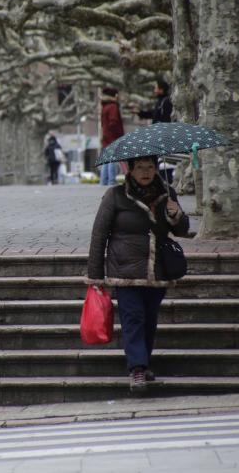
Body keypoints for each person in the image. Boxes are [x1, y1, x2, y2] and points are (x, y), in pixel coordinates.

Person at [86, 155, 189, 392]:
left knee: (150, 319)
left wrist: (176, 215)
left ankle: (144, 361)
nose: (146, 172)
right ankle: (137, 369)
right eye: (140, 167)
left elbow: (182, 230)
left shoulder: (168, 193)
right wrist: (95, 275)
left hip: (157, 269)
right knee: (133, 318)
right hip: (125, 269)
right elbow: (99, 234)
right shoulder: (115, 195)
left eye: (150, 167)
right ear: (130, 170)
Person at [99, 87, 125, 186]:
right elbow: (113, 122)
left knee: (107, 160)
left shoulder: (105, 107)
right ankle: (111, 181)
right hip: (113, 136)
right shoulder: (113, 107)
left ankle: (103, 181)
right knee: (112, 160)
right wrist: (118, 135)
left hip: (106, 136)